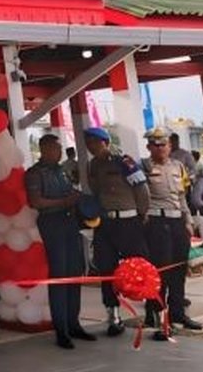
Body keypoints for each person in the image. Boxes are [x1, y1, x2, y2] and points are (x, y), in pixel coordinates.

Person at [24, 135, 94, 349]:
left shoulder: (61, 170)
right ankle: (61, 329)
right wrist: (65, 201)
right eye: (55, 148)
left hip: (69, 222)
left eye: (60, 148)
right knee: (60, 275)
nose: (59, 151)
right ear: (44, 149)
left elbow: (70, 192)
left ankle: (74, 324)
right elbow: (36, 202)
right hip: (52, 223)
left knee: (75, 273)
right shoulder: (35, 174)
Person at [84, 126, 149, 337]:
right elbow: (95, 191)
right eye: (88, 142)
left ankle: (152, 309)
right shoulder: (92, 165)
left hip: (128, 220)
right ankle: (113, 315)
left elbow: (142, 189)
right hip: (105, 223)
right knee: (106, 268)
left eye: (94, 142)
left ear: (105, 142)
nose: (91, 146)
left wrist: (142, 214)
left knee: (139, 266)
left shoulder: (124, 162)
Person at [141, 129, 203, 339]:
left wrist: (188, 220)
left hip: (177, 219)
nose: (161, 148)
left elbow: (182, 196)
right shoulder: (144, 166)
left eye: (164, 144)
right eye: (156, 144)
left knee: (179, 269)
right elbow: (140, 195)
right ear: (149, 147)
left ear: (170, 146)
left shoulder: (178, 167)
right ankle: (157, 315)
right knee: (161, 271)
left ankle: (178, 313)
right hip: (156, 221)